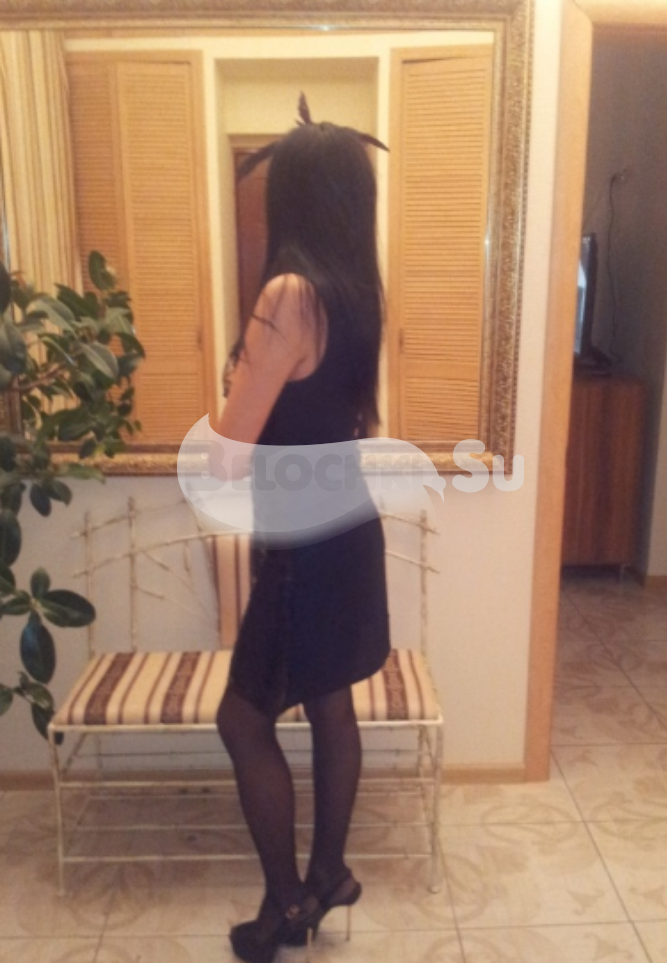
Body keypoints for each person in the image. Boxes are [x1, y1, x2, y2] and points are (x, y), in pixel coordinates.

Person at [215, 98, 391, 963]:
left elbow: (228, 454)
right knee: (329, 701)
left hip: (303, 551)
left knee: (241, 720)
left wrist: (230, 387)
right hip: (347, 532)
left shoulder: (287, 296)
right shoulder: (355, 295)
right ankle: (329, 874)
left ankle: (287, 903)